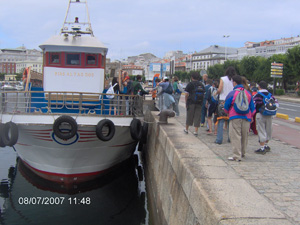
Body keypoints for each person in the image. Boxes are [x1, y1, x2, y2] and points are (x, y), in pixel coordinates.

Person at [224, 75, 256, 161]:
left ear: (234, 82)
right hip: (246, 117)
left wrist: (228, 113)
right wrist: (251, 116)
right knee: (244, 136)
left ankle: (236, 155)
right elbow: (252, 107)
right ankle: (243, 153)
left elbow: (226, 106)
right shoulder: (248, 93)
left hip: (235, 117)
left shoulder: (232, 93)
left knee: (235, 136)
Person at [253, 81, 279, 154]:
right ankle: (266, 145)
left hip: (260, 114)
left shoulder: (258, 95)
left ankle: (262, 147)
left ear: (259, 86)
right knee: (268, 130)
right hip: (270, 115)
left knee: (261, 130)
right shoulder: (270, 95)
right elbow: (276, 104)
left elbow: (253, 104)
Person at [214, 66, 236, 144]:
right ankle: (230, 138)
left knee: (221, 120)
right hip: (232, 101)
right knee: (230, 121)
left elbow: (220, 89)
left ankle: (219, 139)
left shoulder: (223, 79)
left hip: (223, 101)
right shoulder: (235, 80)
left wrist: (216, 93)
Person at [184, 71, 205, 136]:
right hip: (199, 102)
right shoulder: (201, 84)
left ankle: (186, 129)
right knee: (197, 116)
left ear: (192, 77)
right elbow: (204, 94)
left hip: (191, 102)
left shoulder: (190, 84)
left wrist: (186, 102)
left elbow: (186, 94)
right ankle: (196, 131)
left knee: (189, 115)